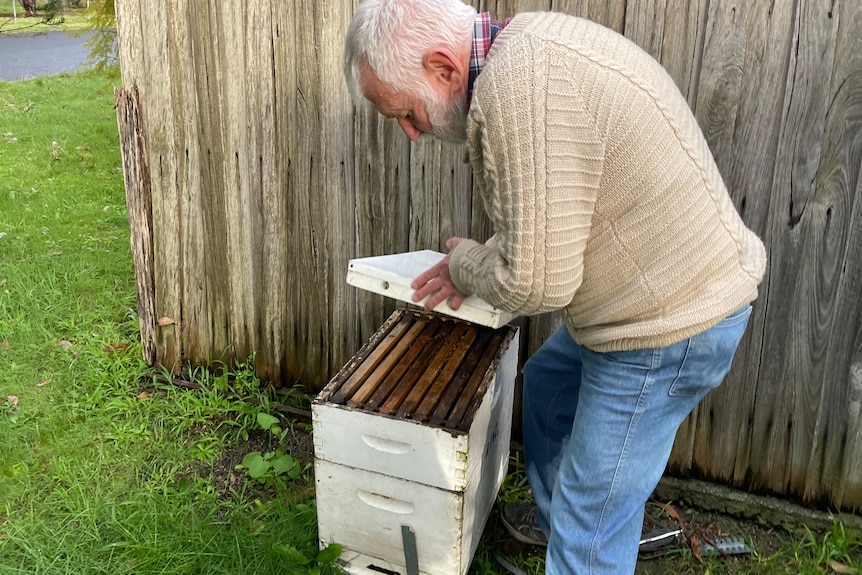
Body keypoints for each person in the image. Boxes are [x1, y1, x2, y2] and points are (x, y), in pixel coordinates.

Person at [343, 1, 767, 573]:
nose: (411, 133)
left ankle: (576, 544)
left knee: (591, 521)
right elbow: (552, 216)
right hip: (650, 295)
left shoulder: (515, 93)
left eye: (407, 112)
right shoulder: (524, 52)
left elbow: (532, 285)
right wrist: (482, 258)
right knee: (546, 392)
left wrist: (467, 260)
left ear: (443, 68)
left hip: (668, 325)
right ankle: (552, 523)